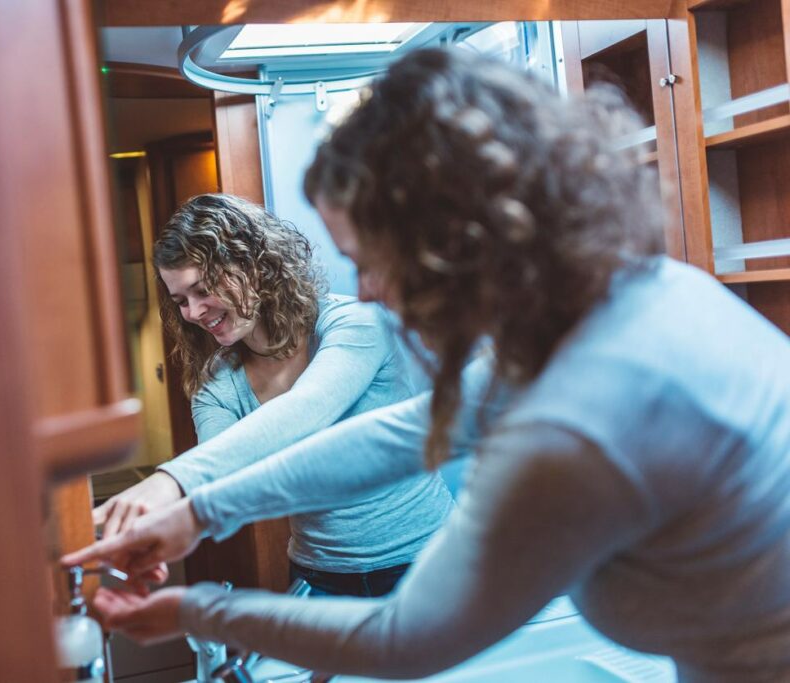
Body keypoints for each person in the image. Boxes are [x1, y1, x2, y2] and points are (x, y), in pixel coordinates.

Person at [64, 47, 790, 682]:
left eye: (371, 261)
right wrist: (198, 511)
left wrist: (197, 609)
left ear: (453, 238)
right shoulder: (624, 303)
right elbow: (406, 430)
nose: (370, 289)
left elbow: (404, 637)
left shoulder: (582, 416)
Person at [98, 192, 451, 597]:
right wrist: (157, 529)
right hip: (320, 579)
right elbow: (221, 477)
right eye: (180, 301)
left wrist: (170, 481)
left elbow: (309, 408)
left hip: (431, 562)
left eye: (202, 289)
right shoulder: (218, 383)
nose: (193, 313)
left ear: (253, 266)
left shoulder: (354, 324)